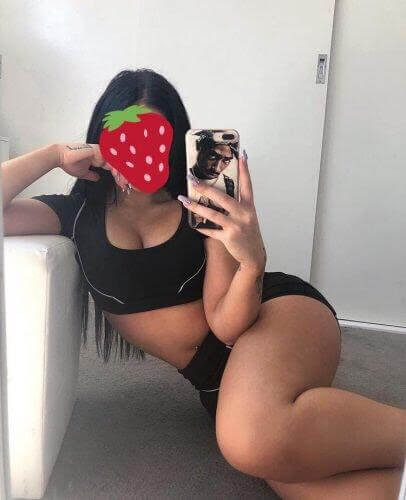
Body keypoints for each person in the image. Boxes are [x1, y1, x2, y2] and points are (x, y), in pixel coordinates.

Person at [2, 68, 404, 499]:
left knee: (250, 441)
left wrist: (252, 263)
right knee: (309, 480)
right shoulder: (75, 213)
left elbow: (227, 325)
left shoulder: (200, 205)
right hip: (216, 381)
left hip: (272, 315)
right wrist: (52, 154)